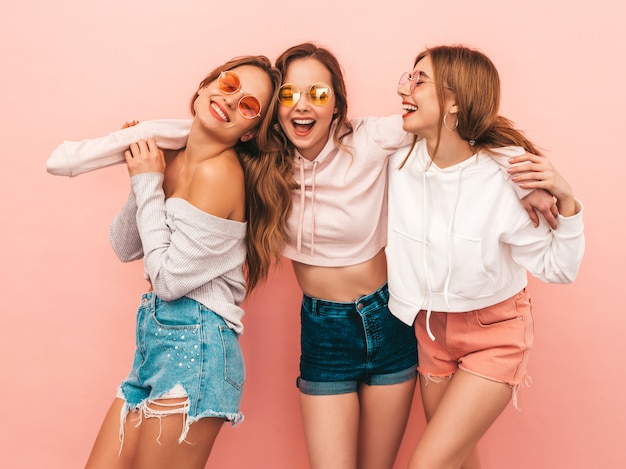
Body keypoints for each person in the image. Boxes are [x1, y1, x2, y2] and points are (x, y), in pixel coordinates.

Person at [273, 42, 559, 469]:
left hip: (389, 316)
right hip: (324, 329)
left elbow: (459, 126)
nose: (301, 105)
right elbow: (205, 128)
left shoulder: (368, 138)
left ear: (336, 106)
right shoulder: (262, 158)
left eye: (317, 93)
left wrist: (524, 174)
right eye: (288, 94)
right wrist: (137, 141)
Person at [49, 55, 292, 469]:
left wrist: (148, 182)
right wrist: (144, 175)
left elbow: (166, 280)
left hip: (197, 348)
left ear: (251, 132)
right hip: (154, 345)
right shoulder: (174, 158)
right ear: (204, 87)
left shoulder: (220, 175)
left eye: (249, 105)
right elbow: (126, 245)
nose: (231, 101)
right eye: (229, 84)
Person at [386, 44, 585, 469]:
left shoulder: (509, 174)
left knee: (428, 463)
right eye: (409, 76)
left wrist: (566, 199)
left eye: (419, 80)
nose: (404, 87)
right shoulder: (396, 156)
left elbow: (560, 268)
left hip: (495, 332)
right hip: (431, 331)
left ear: (455, 100)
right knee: (457, 460)